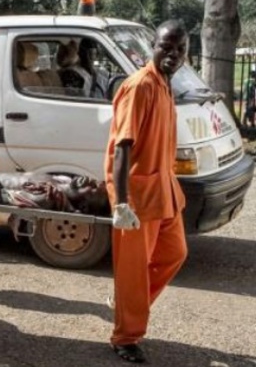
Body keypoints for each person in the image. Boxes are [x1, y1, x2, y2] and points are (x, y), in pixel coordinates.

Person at [103, 20, 189, 363]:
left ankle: (127, 303)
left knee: (174, 253)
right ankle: (125, 337)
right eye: (166, 47)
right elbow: (122, 146)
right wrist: (121, 203)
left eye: (179, 48)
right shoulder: (140, 86)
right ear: (152, 47)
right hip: (136, 198)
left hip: (164, 191)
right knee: (133, 272)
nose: (172, 54)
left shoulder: (165, 84)